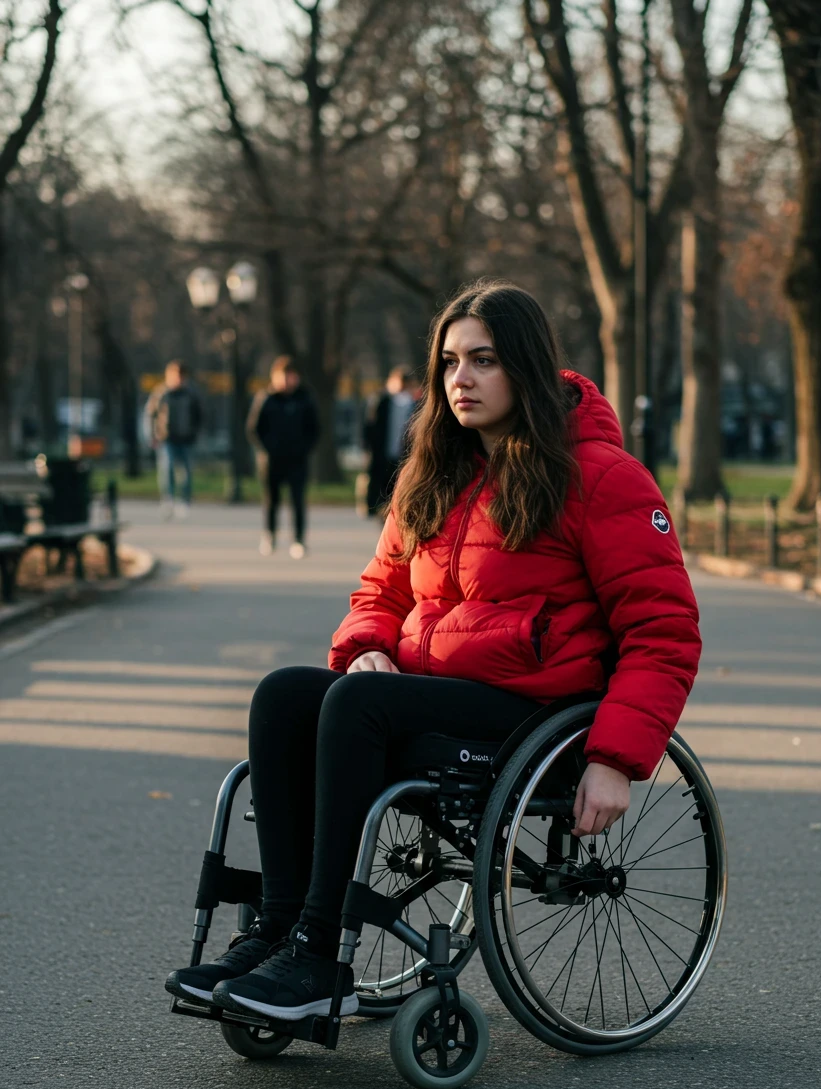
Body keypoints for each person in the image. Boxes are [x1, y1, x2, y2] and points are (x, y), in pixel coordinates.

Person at [167, 280, 702, 1022]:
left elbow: (664, 630)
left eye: (483, 360)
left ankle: (320, 955)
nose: (461, 379)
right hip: (421, 694)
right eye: (450, 362)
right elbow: (378, 593)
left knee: (360, 704)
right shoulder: (433, 474)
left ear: (527, 368)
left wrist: (614, 759)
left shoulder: (602, 478)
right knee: (285, 695)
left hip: (532, 713)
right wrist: (365, 648)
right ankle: (280, 930)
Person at [246, 356, 320, 559]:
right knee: (272, 501)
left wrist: (303, 449)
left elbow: (314, 429)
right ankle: (269, 536)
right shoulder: (266, 398)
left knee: (297, 501)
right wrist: (267, 449)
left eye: (292, 377)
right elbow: (254, 428)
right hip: (271, 461)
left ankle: (298, 540)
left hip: (297, 460)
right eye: (284, 377)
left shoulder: (305, 399)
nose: (288, 381)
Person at [143, 361, 204, 519]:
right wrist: (152, 435)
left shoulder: (191, 394)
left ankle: (184, 501)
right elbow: (150, 414)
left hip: (186, 438)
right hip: (167, 438)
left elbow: (199, 415)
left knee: (186, 472)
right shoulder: (162, 393)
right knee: (167, 468)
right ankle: (168, 499)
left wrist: (195, 433)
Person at [363, 366, 418, 517]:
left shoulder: (416, 404)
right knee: (382, 494)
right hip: (383, 456)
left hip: (404, 460)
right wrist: (368, 449)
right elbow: (370, 429)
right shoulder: (381, 402)